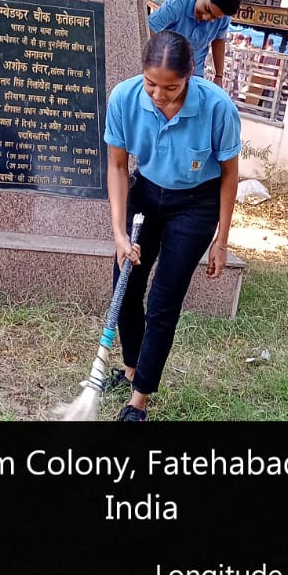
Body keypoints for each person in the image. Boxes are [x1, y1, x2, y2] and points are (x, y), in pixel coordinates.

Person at [104, 30, 241, 421]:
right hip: (145, 195)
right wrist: (118, 233)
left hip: (195, 205)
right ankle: (132, 369)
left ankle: (139, 401)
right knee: (126, 286)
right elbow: (117, 165)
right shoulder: (124, 98)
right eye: (151, 84)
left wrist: (222, 239)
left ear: (191, 74)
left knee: (163, 301)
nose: (159, 95)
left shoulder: (218, 108)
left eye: (171, 87)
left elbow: (230, 175)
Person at [148, 0, 241, 80]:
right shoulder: (178, 3)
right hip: (163, 71)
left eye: (214, 17)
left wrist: (218, 76)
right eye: (207, 9)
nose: (206, 17)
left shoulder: (223, 18)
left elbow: (219, 41)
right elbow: (149, 29)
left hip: (194, 76)